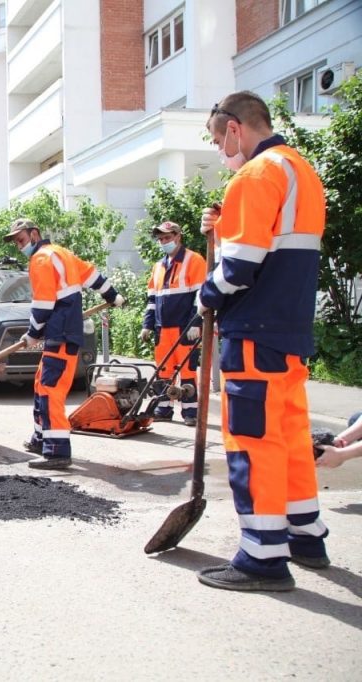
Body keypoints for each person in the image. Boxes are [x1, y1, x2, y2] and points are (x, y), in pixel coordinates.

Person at [196, 91, 328, 592]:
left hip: (254, 330)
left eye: (216, 139)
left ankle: (262, 556)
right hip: (288, 331)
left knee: (253, 442)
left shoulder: (254, 175)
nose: (219, 150)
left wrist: (204, 298)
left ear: (235, 128)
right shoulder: (300, 171)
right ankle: (305, 535)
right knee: (291, 437)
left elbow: (239, 269)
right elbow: (273, 245)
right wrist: (224, 224)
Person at [5, 218, 124, 470]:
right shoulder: (62, 254)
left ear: (34, 234)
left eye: (21, 239)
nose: (19, 245)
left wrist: (32, 333)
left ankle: (57, 452)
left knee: (50, 391)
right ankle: (41, 438)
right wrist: (112, 295)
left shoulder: (40, 259)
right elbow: (93, 275)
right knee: (41, 384)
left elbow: (43, 304)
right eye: (16, 242)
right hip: (62, 335)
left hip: (60, 335)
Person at [139, 221, 206, 426]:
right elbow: (152, 300)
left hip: (185, 327)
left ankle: (190, 413)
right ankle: (163, 409)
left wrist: (197, 322)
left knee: (187, 370)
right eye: (160, 239)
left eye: (167, 238)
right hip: (162, 328)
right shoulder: (158, 266)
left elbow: (200, 296)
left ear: (178, 236)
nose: (163, 242)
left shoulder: (194, 260)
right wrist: (147, 325)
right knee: (164, 371)